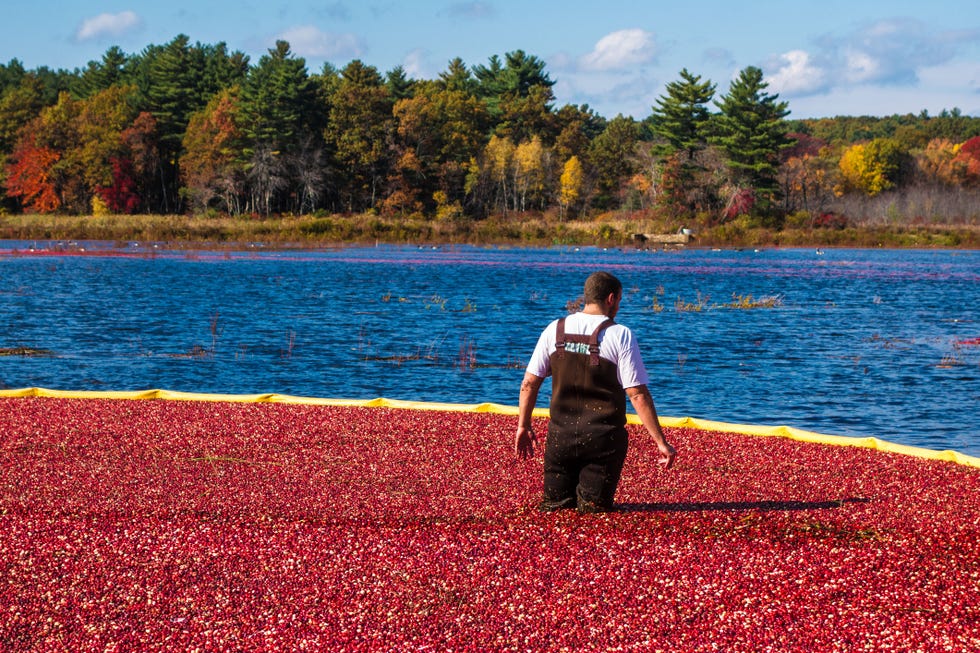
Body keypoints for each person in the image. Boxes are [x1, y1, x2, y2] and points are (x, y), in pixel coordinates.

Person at [515, 271, 676, 513]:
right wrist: (660, 441)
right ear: (611, 298)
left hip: (560, 438)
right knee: (593, 512)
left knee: (555, 509)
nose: (618, 307)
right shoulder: (620, 334)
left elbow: (529, 383)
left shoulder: (554, 329)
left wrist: (523, 425)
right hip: (603, 441)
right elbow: (637, 394)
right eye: (619, 301)